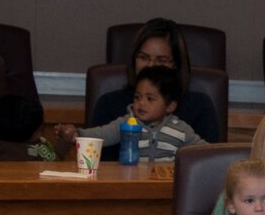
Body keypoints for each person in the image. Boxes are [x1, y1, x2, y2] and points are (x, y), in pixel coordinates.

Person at [88, 19, 223, 143]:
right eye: (144, 57)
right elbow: (96, 158)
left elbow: (208, 160)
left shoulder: (199, 106)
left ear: (176, 64)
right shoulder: (109, 104)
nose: (151, 66)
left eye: (162, 60)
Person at [80, 65, 202, 163]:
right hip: (133, 184)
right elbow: (102, 134)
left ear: (170, 106)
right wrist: (78, 134)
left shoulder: (182, 130)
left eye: (150, 98)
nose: (141, 103)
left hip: (167, 187)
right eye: (137, 97)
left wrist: (220, 152)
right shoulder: (127, 123)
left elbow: (204, 150)